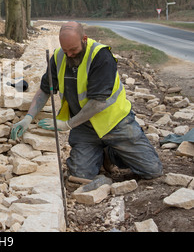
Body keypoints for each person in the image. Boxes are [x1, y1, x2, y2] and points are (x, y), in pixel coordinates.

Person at [10, 21, 163, 180]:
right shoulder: (58, 57)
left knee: (152, 170)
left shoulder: (101, 57)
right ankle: (99, 153)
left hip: (115, 123)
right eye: (65, 50)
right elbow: (44, 90)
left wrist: (67, 124)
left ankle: (112, 152)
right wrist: (28, 117)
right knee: (80, 175)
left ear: (84, 39)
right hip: (84, 126)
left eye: (73, 50)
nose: (69, 55)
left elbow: (98, 103)